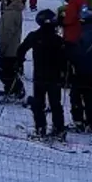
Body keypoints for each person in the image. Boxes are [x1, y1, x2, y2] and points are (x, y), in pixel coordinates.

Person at [16, 9, 69, 140]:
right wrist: (65, 74)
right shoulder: (59, 40)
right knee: (55, 104)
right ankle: (59, 129)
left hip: (39, 76)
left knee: (38, 104)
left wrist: (19, 62)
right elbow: (65, 58)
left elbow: (21, 49)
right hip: (55, 76)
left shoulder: (34, 36)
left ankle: (40, 128)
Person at [69, 4, 92, 133]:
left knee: (79, 94)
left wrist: (70, 49)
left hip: (86, 67)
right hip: (89, 66)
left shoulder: (90, 30)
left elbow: (83, 49)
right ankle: (89, 121)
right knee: (85, 94)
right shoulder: (90, 28)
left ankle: (83, 121)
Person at [0, 0, 26, 101]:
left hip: (8, 49)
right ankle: (11, 89)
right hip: (14, 47)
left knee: (6, 73)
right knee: (9, 72)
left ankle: (15, 90)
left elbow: (6, 33)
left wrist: (1, 48)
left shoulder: (10, 13)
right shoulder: (14, 11)